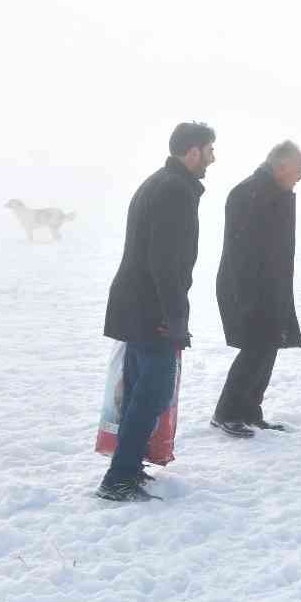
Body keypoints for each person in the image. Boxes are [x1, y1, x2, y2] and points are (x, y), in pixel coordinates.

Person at [98, 121, 215, 501]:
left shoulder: (160, 183)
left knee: (138, 391)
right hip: (151, 311)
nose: (213, 158)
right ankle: (119, 478)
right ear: (192, 151)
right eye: (209, 150)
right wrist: (176, 318)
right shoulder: (175, 191)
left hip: (136, 304)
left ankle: (127, 467)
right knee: (153, 392)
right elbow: (167, 263)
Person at [211, 140, 301, 437]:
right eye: (299, 170)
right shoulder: (249, 193)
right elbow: (243, 251)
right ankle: (226, 413)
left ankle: (250, 411)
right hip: (248, 288)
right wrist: (250, 297)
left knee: (267, 348)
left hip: (270, 285)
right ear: (282, 167)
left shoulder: (274, 192)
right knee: (255, 349)